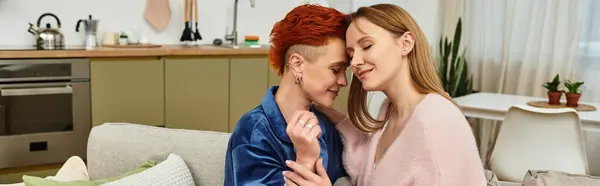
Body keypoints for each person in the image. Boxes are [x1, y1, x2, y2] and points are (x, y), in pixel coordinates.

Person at [282, 3, 487, 186]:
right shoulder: (389, 110)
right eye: (351, 55)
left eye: (367, 46)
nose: (354, 63)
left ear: (405, 43)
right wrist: (327, 113)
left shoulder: (436, 122)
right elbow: (367, 164)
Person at [223, 4, 350, 186]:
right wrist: (305, 161)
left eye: (344, 70)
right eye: (335, 69)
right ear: (297, 64)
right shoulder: (253, 133)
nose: (343, 81)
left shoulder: (326, 127)